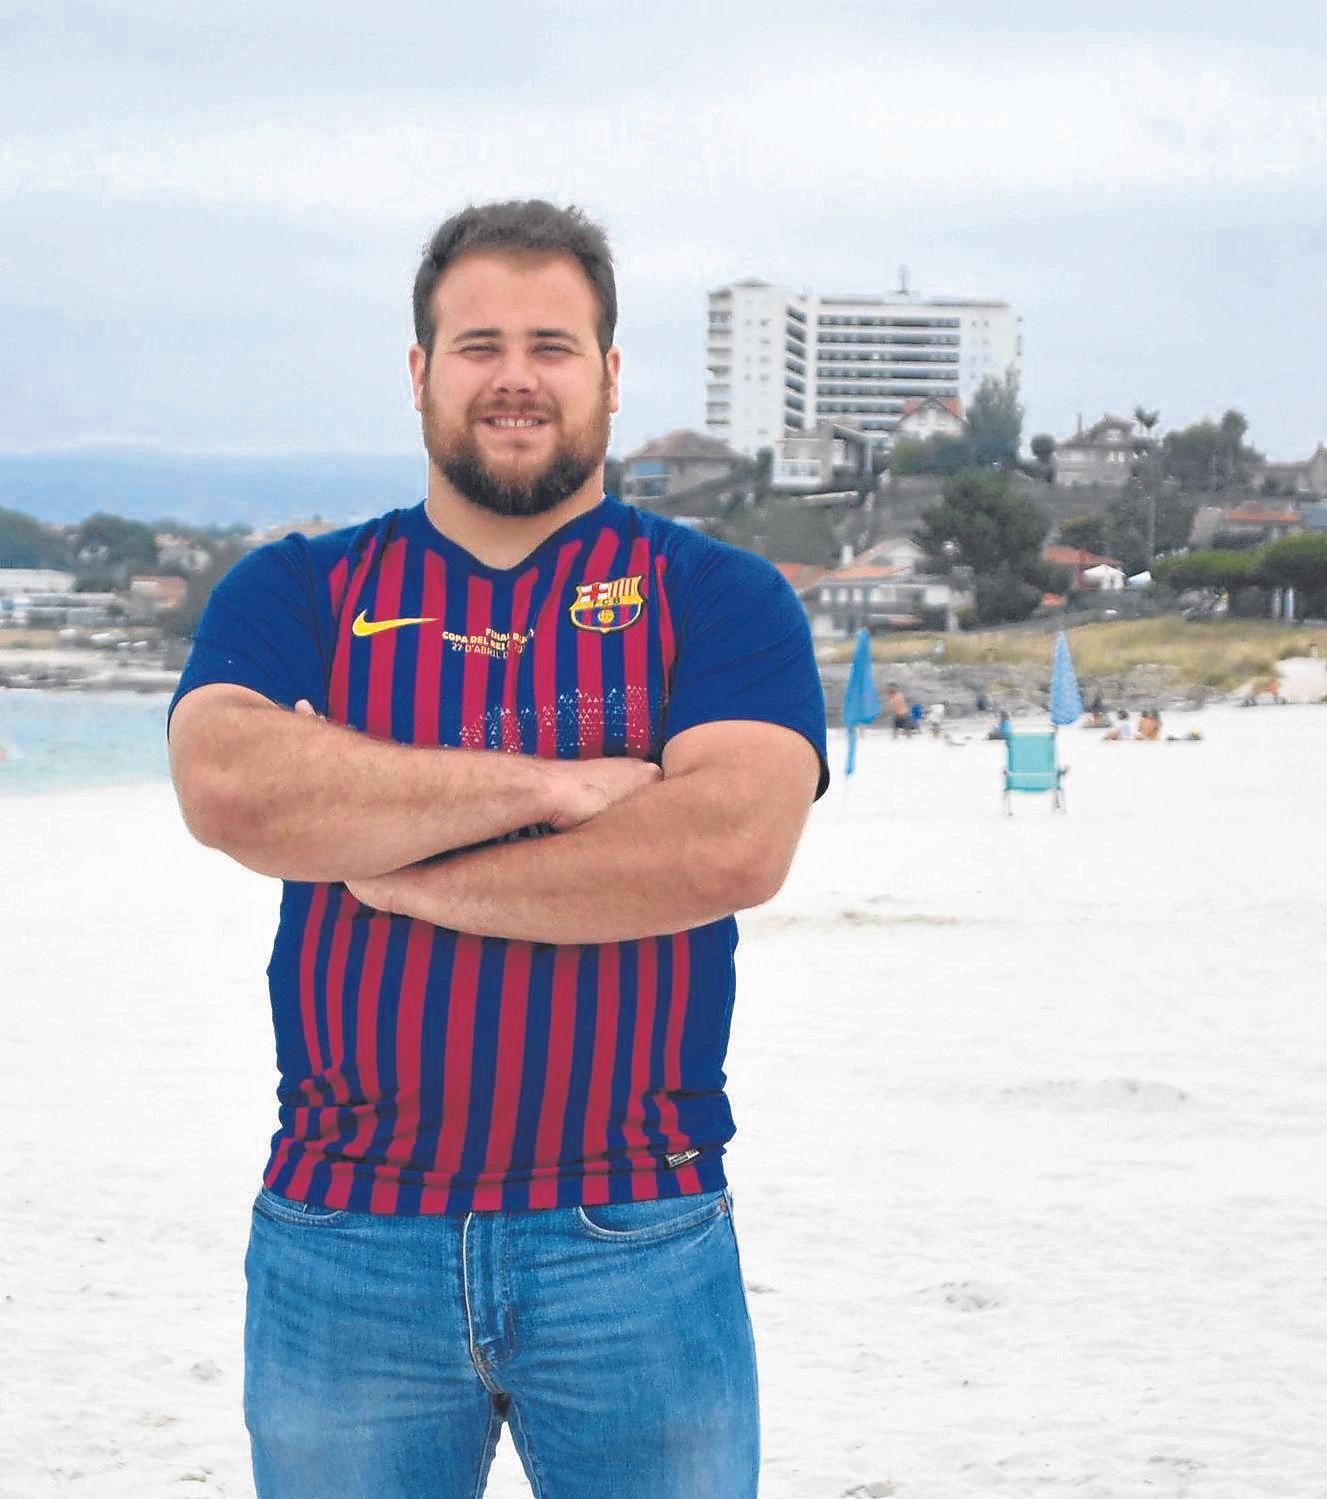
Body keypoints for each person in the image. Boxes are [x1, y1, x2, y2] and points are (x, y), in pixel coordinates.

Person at [167, 200, 829, 1499]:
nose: (515, 376)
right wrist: (556, 788)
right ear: (420, 373)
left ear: (610, 376)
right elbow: (235, 788)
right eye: (477, 344)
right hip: (344, 1231)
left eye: (552, 343)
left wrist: (399, 860)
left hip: (634, 1227)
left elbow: (731, 841)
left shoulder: (720, 596)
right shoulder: (300, 590)